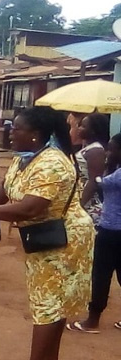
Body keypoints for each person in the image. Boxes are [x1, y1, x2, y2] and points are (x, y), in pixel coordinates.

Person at [0, 106, 94, 360]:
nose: (10, 133)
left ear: (36, 134)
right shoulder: (25, 156)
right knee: (50, 303)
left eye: (17, 128)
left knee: (49, 306)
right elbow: (5, 186)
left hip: (64, 240)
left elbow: (29, 208)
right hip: (43, 238)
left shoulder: (52, 162)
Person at [67, 133, 121, 334]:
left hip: (110, 230)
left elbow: (100, 182)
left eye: (112, 149)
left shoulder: (118, 175)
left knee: (100, 275)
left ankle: (92, 321)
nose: (108, 153)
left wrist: (96, 175)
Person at [75, 113, 109, 225]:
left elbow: (94, 180)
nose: (79, 128)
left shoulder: (96, 150)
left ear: (93, 130)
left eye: (83, 126)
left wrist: (80, 205)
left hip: (88, 203)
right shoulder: (88, 147)